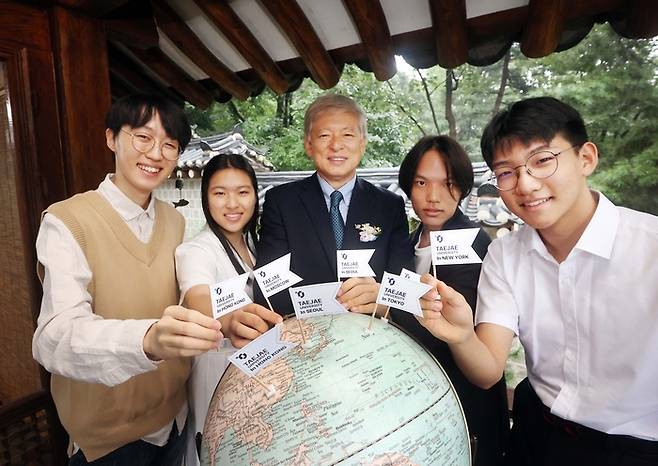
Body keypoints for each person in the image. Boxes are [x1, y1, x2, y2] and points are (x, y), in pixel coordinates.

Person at [418, 97, 658, 466]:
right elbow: (487, 372)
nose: (526, 185)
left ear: (586, 158)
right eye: (506, 172)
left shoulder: (650, 248)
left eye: (543, 160)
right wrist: (463, 334)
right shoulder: (505, 254)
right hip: (535, 433)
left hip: (634, 447)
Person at [33, 94, 223, 465]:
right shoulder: (67, 221)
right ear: (111, 138)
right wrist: (147, 339)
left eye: (170, 144)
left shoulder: (175, 220)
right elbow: (53, 338)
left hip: (175, 419)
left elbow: (180, 298)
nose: (156, 153)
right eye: (142, 137)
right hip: (110, 439)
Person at [395, 135, 508, 466]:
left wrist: (389, 301)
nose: (433, 197)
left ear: (462, 188)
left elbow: (455, 325)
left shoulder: (474, 242)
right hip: (421, 403)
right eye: (421, 182)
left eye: (448, 184)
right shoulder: (404, 244)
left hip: (468, 404)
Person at [256, 93, 413, 315]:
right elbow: (270, 286)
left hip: (373, 336)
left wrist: (382, 299)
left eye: (348, 134)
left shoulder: (389, 205)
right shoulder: (282, 202)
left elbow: (405, 285)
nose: (336, 145)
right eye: (324, 135)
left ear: (362, 144)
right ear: (309, 145)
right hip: (306, 338)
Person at [175, 153, 282, 465]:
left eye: (243, 192)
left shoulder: (256, 245)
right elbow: (197, 296)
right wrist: (232, 319)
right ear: (206, 197)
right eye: (220, 193)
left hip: (256, 380)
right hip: (216, 380)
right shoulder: (196, 250)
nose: (232, 204)